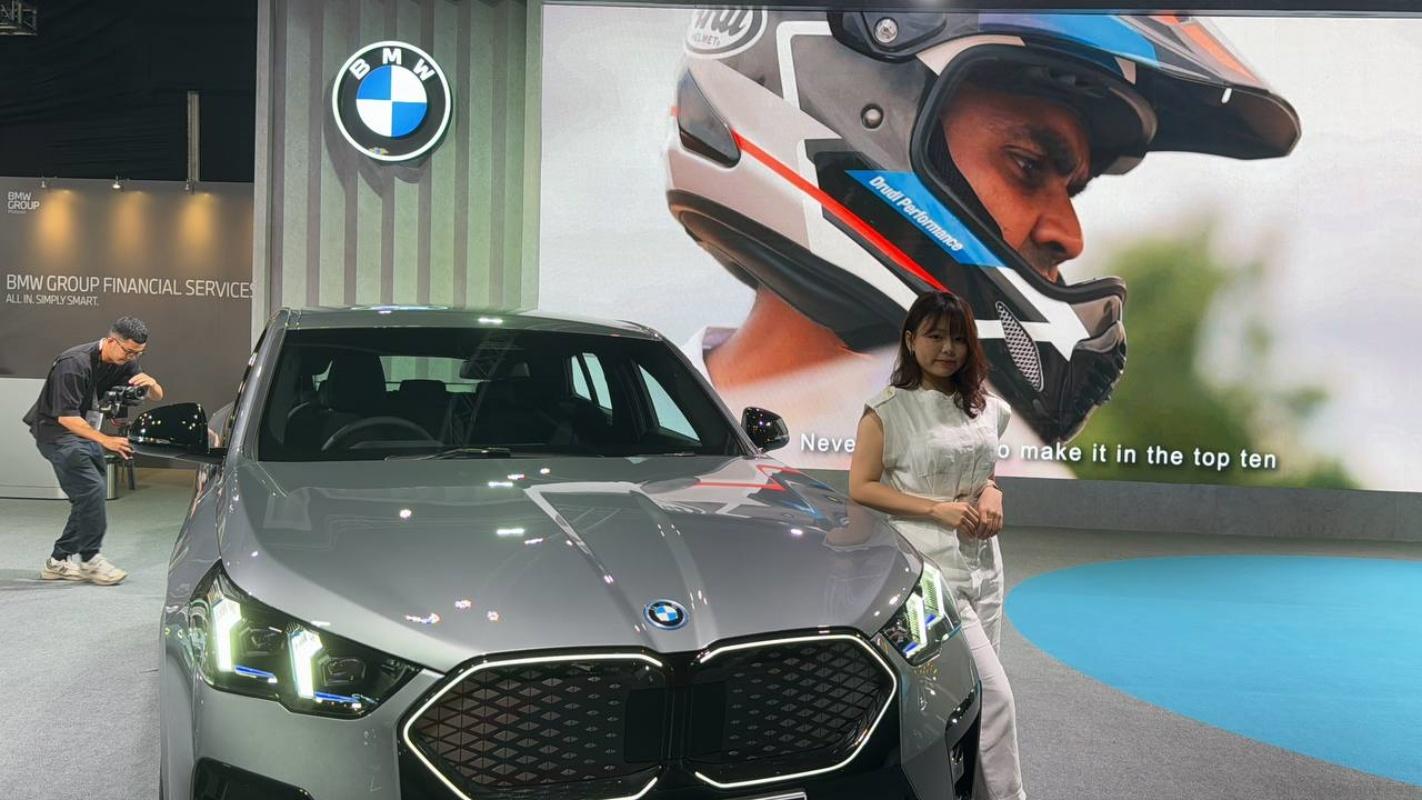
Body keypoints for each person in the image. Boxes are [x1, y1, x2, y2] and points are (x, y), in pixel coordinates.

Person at [666, 11, 1300, 465]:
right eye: (1028, 165)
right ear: (857, 112)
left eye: (1073, 191)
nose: (1070, 235)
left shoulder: (991, 472)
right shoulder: (623, 425)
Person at [848, 291, 1019, 800]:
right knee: (995, 698)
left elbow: (985, 471)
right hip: (926, 572)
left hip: (985, 565)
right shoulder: (887, 411)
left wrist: (993, 492)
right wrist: (934, 509)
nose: (948, 348)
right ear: (910, 340)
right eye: (935, 336)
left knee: (973, 697)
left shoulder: (987, 408)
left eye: (959, 338)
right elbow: (862, 487)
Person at [22, 316, 164, 585]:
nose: (133, 358)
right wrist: (106, 440)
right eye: (129, 351)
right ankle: (90, 559)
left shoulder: (126, 361)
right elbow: (66, 418)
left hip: (84, 431)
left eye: (139, 353)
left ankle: (58, 561)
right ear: (111, 341)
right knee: (92, 491)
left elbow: (156, 395)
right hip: (56, 433)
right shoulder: (73, 364)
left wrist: (152, 385)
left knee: (90, 497)